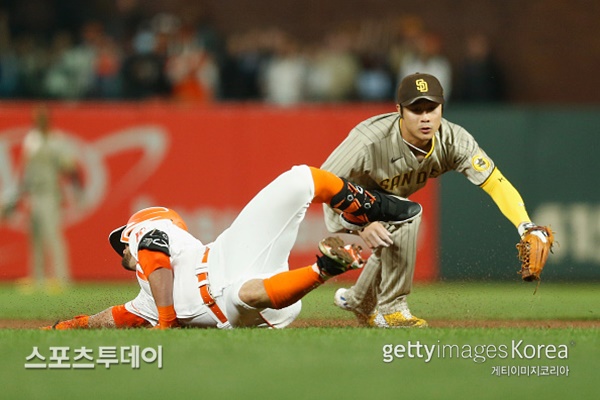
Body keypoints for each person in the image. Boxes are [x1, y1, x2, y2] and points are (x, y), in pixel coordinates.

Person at [44, 165, 421, 329]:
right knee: (244, 295)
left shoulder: (152, 229)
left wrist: (166, 323)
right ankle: (324, 268)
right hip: (248, 306)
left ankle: (365, 206)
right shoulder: (147, 299)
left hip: (226, 259)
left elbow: (154, 255)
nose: (121, 251)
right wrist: (69, 326)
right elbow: (115, 318)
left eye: (122, 242)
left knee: (300, 179)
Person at [321, 73, 551, 328]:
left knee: (394, 233)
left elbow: (496, 183)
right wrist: (361, 222)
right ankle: (393, 310)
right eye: (416, 110)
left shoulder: (454, 140)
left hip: (387, 203)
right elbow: (322, 182)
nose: (425, 117)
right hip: (344, 201)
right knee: (408, 216)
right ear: (399, 110)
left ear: (442, 108)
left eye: (431, 108)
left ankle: (358, 300)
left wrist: (525, 225)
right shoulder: (369, 139)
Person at [13, 104, 82, 293]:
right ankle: (37, 279)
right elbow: (25, 167)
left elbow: (68, 166)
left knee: (52, 234)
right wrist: (19, 193)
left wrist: (76, 187)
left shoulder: (56, 140)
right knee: (35, 236)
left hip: (49, 192)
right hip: (33, 192)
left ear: (48, 119)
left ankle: (61, 277)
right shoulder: (32, 138)